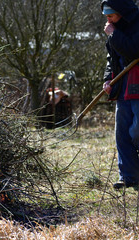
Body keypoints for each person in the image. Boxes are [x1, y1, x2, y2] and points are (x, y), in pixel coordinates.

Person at [101, 0, 139, 190]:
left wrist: (114, 34)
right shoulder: (112, 29)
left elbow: (133, 50)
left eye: (111, 14)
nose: (108, 19)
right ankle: (128, 176)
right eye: (106, 14)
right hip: (123, 86)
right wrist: (108, 79)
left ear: (123, 12)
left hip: (138, 83)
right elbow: (112, 58)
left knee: (137, 130)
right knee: (122, 133)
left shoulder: (136, 25)